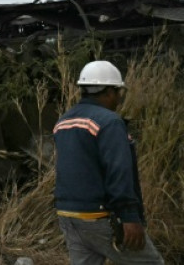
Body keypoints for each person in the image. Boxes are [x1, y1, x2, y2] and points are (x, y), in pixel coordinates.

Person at [54, 60, 164, 264]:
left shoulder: (63, 121)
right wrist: (130, 217)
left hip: (68, 215)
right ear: (109, 92)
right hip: (100, 217)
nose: (119, 99)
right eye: (118, 93)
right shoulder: (109, 122)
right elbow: (118, 172)